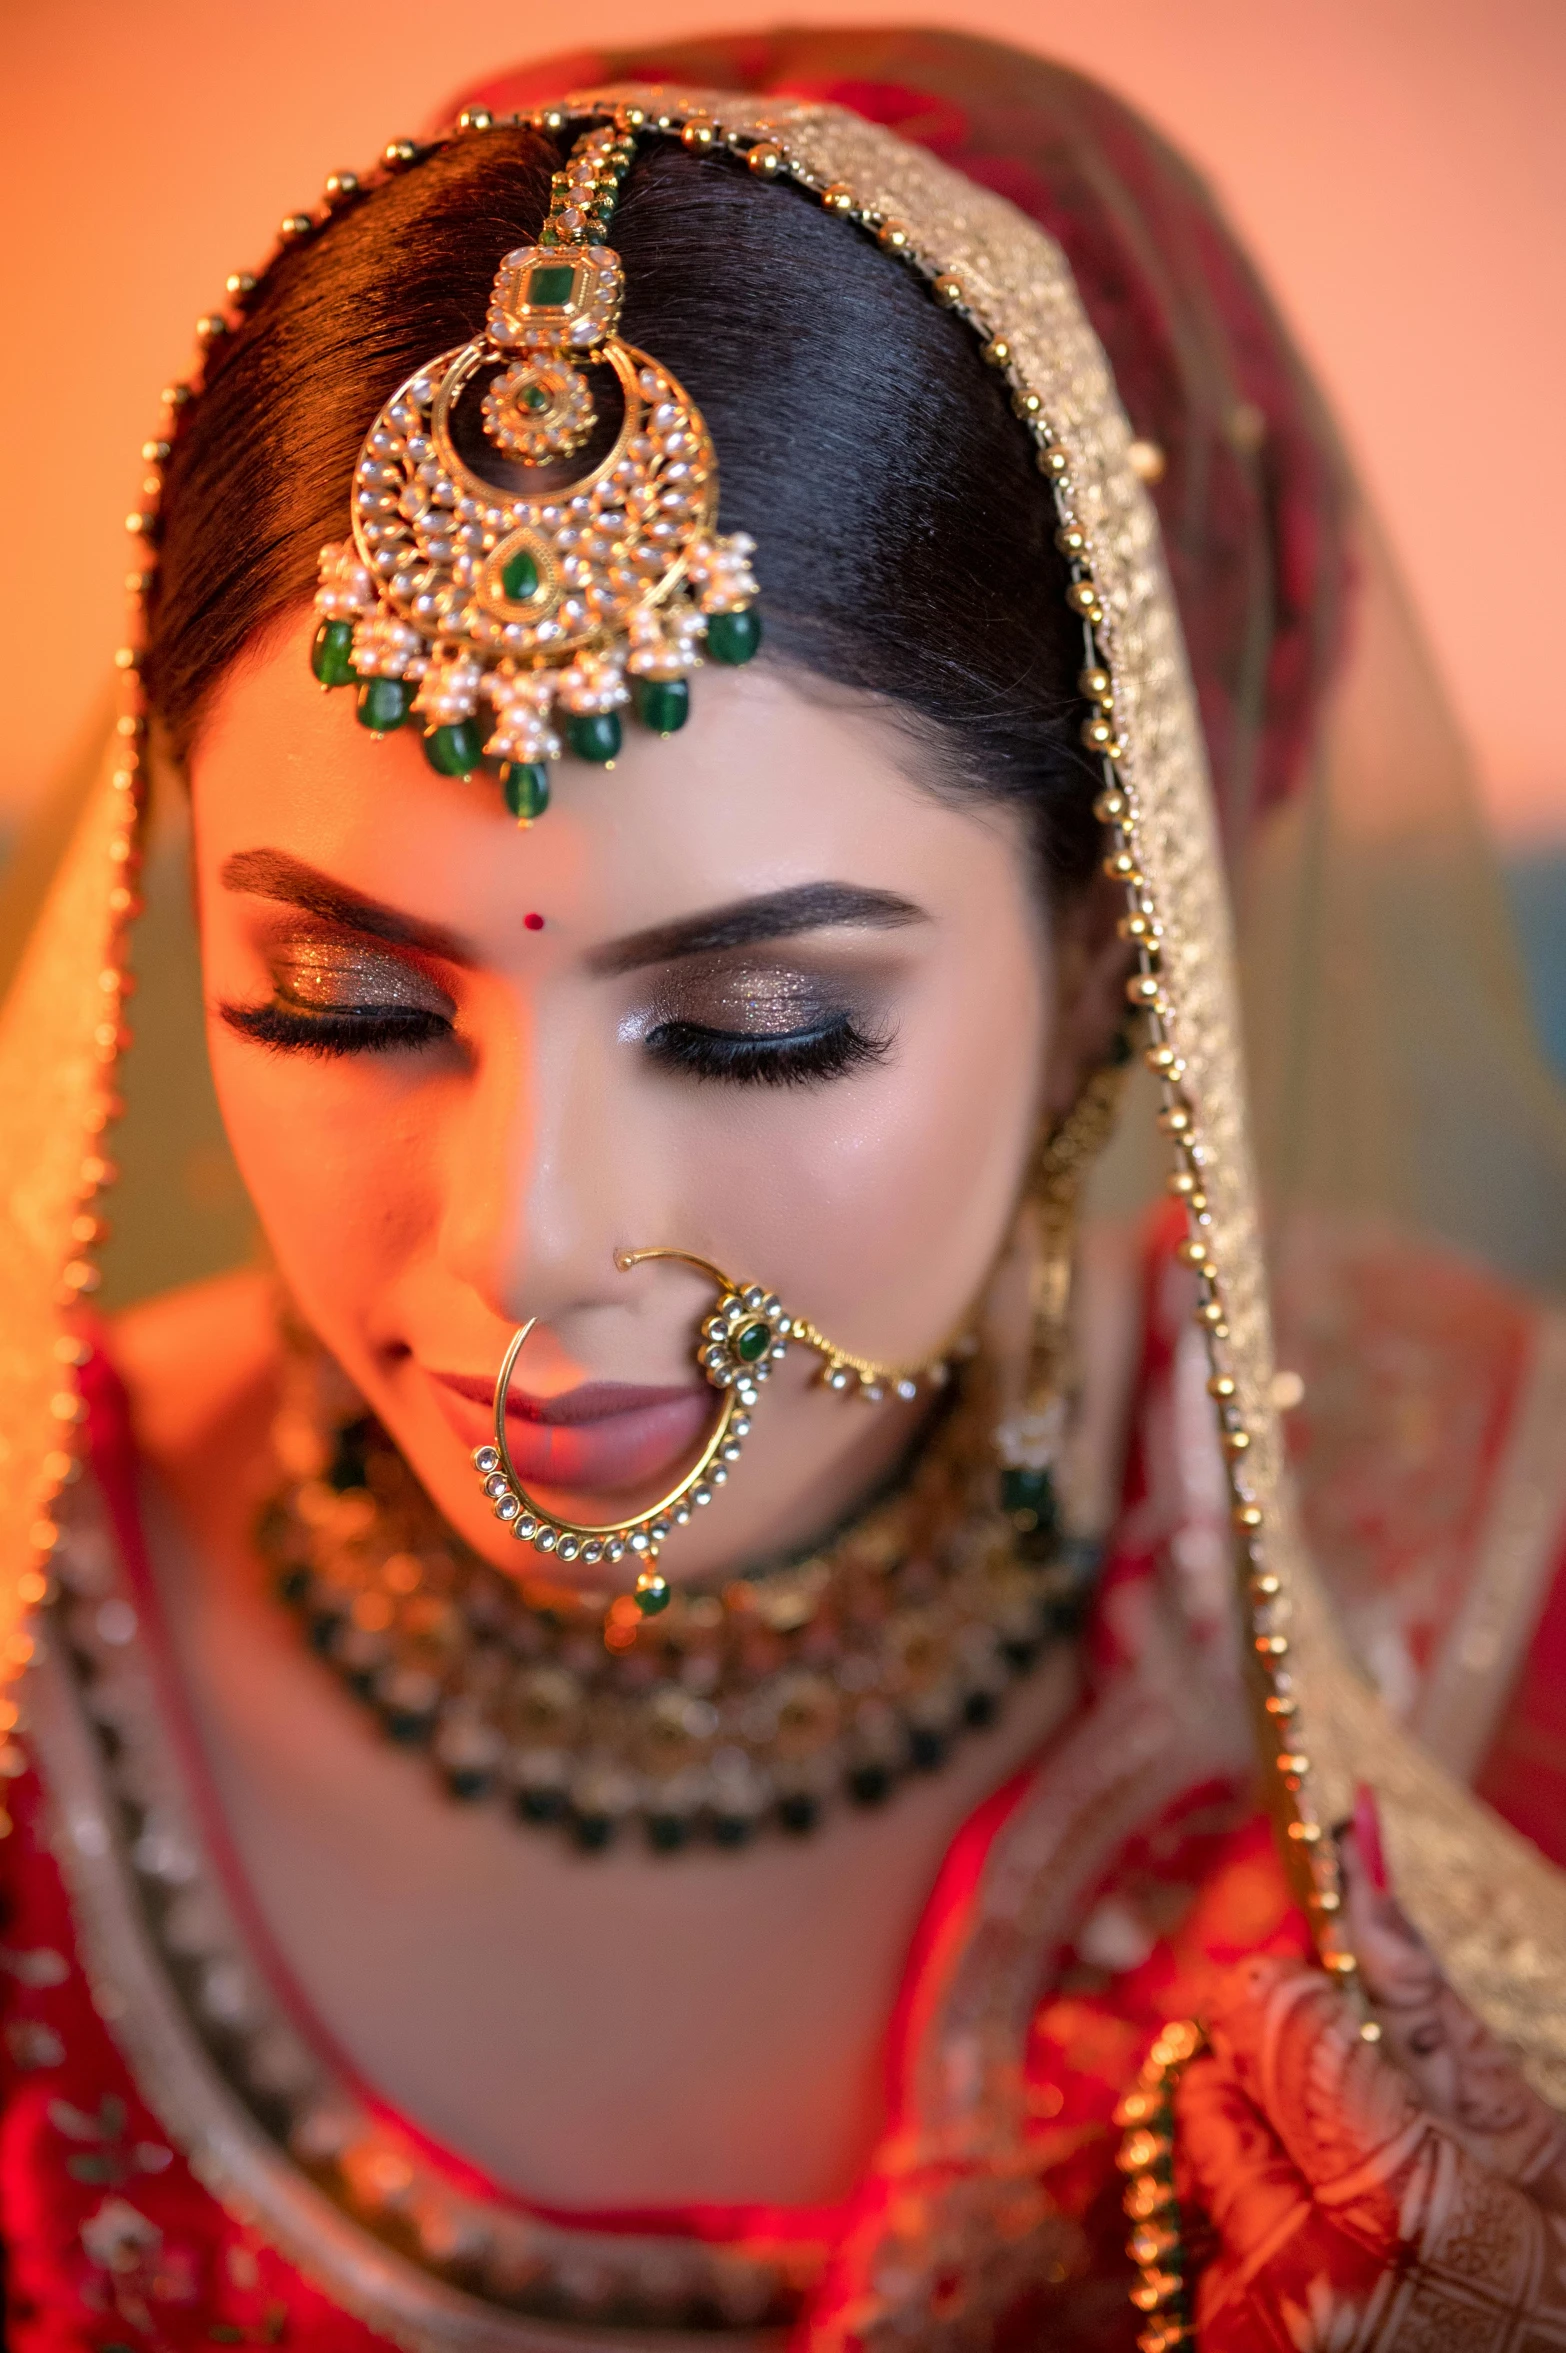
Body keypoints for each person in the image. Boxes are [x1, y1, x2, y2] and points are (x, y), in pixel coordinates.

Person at [1, 27, 1564, 2353]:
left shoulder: (1492, 1582)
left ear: (1118, 947)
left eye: (758, 1031)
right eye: (337, 997)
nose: (523, 1237)